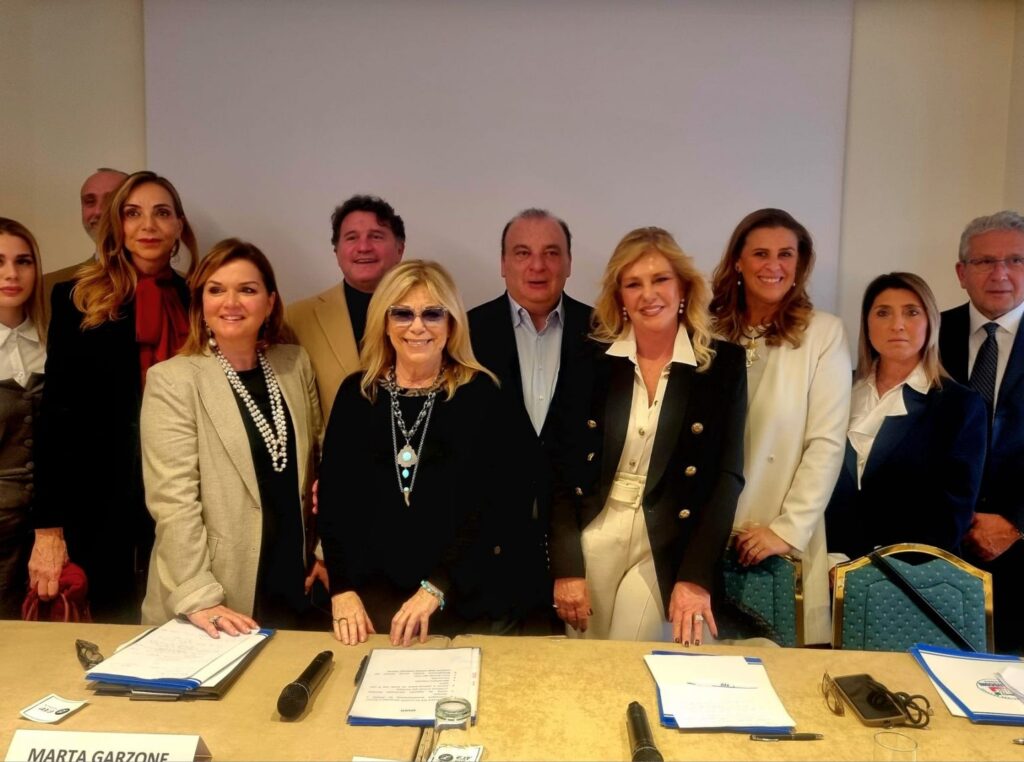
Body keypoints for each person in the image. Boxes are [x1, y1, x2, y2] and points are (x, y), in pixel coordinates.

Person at [550, 227, 747, 644]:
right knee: (583, 660)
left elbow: (726, 479)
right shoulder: (589, 360)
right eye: (633, 284)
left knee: (628, 652)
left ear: (683, 288)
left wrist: (696, 576)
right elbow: (558, 469)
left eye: (660, 280)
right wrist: (566, 566)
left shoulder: (722, 365)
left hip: (668, 536)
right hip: (596, 528)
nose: (648, 294)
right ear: (619, 296)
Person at [29, 170, 198, 623]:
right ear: (117, 224)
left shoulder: (200, 299)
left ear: (179, 225)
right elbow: (56, 417)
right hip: (97, 503)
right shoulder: (76, 298)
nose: (148, 226)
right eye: (133, 213)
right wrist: (48, 529)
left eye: (162, 213)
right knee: (110, 630)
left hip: (185, 494)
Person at [317, 260, 511, 646]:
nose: (417, 326)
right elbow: (335, 502)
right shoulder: (357, 394)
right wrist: (342, 589)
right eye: (402, 313)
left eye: (432, 314)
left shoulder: (480, 395)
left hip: (454, 597)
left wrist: (437, 588)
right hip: (364, 603)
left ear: (451, 323)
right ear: (384, 323)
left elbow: (491, 506)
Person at [140, 239, 323, 635]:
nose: (231, 302)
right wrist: (199, 595)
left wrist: (323, 551)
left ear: (270, 302)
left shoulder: (295, 363)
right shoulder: (173, 380)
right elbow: (173, 502)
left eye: (247, 289)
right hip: (214, 592)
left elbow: (322, 466)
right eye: (216, 290)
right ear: (200, 302)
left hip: (295, 582)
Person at [709, 208, 851, 645]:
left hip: (778, 535)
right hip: (706, 531)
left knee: (779, 663)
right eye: (760, 254)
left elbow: (826, 442)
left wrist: (787, 530)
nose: (774, 265)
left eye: (785, 254)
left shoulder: (822, 333)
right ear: (738, 261)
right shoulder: (707, 329)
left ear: (800, 263)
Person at [468, 208, 592, 633]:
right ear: (503, 263)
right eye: (522, 253)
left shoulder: (604, 332)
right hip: (488, 550)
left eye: (551, 253)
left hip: (581, 546)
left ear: (569, 263)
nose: (537, 265)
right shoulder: (464, 332)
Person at [825, 272, 986, 561]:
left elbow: (952, 515)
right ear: (867, 324)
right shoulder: (837, 389)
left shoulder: (960, 405)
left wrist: (875, 569)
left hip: (910, 574)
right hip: (826, 566)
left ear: (931, 323)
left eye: (911, 312)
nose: (897, 325)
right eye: (883, 313)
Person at [938, 210, 1024, 653]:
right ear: (961, 272)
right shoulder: (927, 332)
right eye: (985, 261)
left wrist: (1016, 523)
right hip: (938, 553)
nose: (1000, 273)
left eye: (1015, 260)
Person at [287, 195, 406, 420]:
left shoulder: (432, 318)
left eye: (376, 236)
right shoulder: (296, 319)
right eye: (352, 238)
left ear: (399, 249)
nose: (364, 247)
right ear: (337, 252)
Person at [0, 219, 47, 618]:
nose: (11, 274)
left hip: (54, 528)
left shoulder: (57, 341)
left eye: (23, 261)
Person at [43, 168, 128, 306]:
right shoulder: (48, 285)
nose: (98, 211)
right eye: (90, 201)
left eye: (111, 200)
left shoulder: (166, 282)